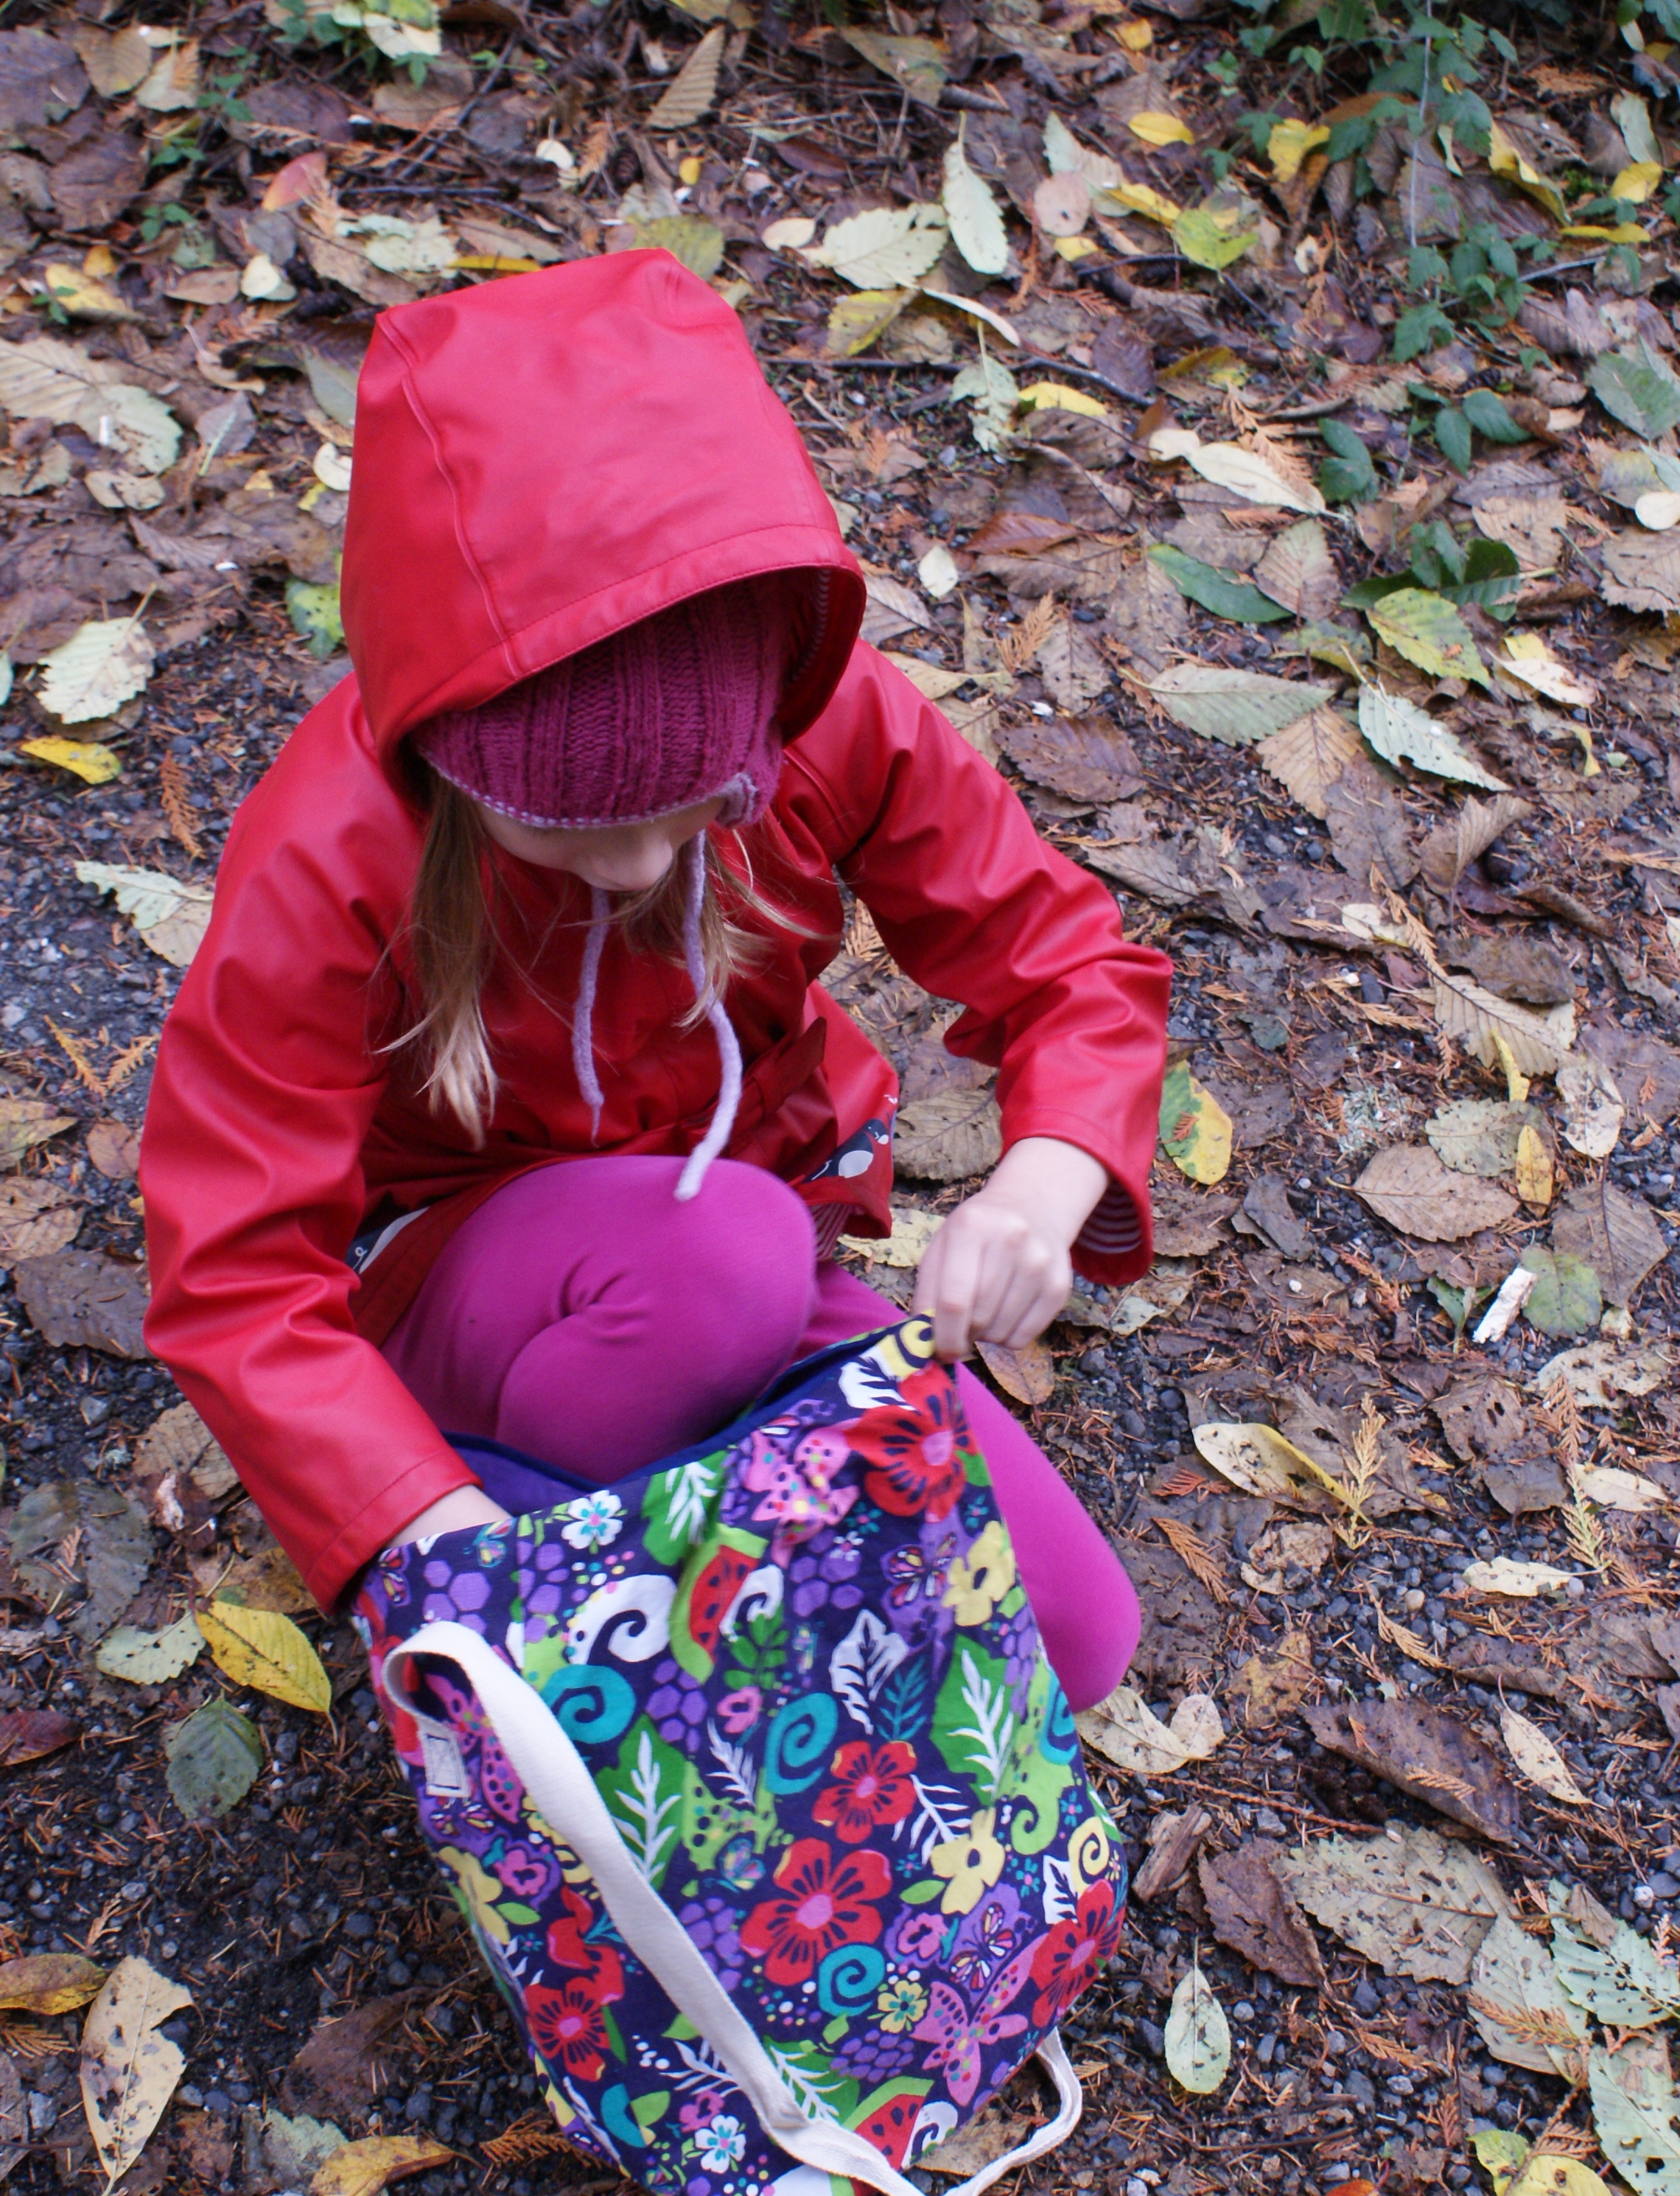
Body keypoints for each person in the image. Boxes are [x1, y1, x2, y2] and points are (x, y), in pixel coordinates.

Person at [139, 250, 1172, 1709]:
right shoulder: (333, 854)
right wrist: (421, 1533)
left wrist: (1043, 1183)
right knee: (724, 1262)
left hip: (730, 1246)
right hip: (467, 1278)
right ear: (450, 760)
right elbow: (234, 1263)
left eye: (702, 805)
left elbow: (1064, 955)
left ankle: (688, 1605)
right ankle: (559, 1583)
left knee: (1063, 1630)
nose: (632, 869)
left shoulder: (840, 725)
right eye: (561, 828)